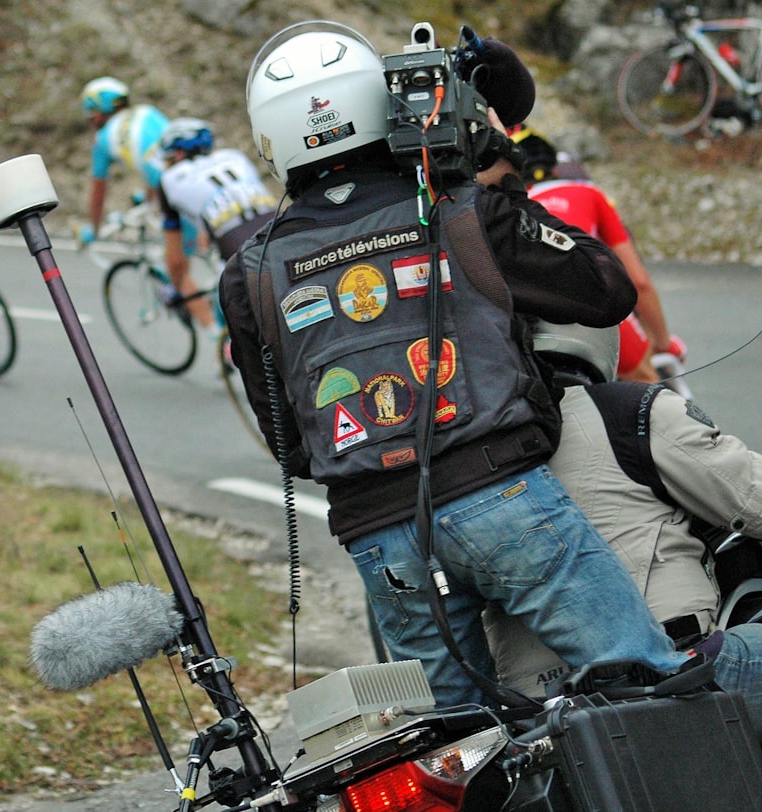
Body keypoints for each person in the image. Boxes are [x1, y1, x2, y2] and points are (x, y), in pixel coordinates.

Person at [219, 20, 688, 709]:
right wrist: (492, 179)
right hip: (506, 499)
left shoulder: (249, 273)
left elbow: (288, 445)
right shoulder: (464, 211)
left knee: (458, 749)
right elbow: (606, 289)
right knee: (645, 691)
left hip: (382, 540)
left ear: (271, 138)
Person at [483, 320, 762, 736]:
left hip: (540, 712)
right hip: (673, 675)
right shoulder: (626, 409)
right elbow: (751, 497)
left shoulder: (457, 458)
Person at [510, 126, 685, 384]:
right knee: (646, 392)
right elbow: (639, 282)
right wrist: (662, 342)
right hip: (592, 301)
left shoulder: (511, 208)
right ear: (555, 169)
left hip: (533, 321)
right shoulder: (588, 192)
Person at [157, 117, 278, 333]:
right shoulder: (235, 157)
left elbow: (175, 261)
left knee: (245, 340)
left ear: (177, 155)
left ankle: (225, 348)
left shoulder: (168, 179)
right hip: (284, 236)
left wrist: (177, 289)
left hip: (242, 260)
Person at [78, 76, 169, 246]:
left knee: (177, 263)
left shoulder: (102, 139)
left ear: (99, 112)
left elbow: (99, 190)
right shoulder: (147, 111)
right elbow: (157, 158)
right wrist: (149, 198)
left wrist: (93, 229)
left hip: (170, 187)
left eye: (90, 113)